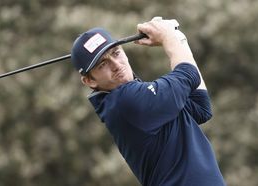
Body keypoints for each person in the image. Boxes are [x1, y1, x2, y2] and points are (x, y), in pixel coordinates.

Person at [71, 17, 226, 186]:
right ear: (90, 81)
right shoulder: (123, 101)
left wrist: (179, 39)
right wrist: (168, 37)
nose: (116, 65)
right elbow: (189, 74)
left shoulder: (136, 98)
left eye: (116, 53)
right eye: (102, 64)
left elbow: (200, 107)